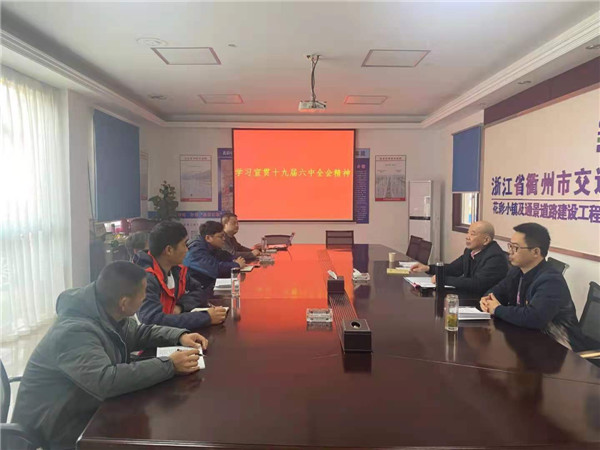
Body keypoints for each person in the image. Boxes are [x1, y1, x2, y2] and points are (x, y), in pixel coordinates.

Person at [11, 261, 208, 450]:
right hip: (54, 431)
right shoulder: (74, 332)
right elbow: (106, 381)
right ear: (124, 302)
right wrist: (169, 365)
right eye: (143, 293)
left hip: (85, 407)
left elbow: (138, 333)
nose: (145, 298)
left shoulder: (107, 309)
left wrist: (179, 336)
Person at [480, 223, 589, 350]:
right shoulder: (516, 271)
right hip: (530, 338)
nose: (510, 251)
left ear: (536, 252)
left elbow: (533, 317)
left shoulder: (551, 280)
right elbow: (498, 290)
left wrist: (497, 309)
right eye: (510, 246)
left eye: (515, 248)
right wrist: (487, 300)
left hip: (560, 346)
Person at [135, 221, 227, 328]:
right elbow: (152, 321)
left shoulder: (176, 269)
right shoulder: (145, 279)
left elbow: (200, 291)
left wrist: (181, 306)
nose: (187, 250)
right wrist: (205, 318)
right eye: (184, 244)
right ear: (169, 250)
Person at [410, 221, 508, 296]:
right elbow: (453, 269)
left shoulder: (495, 257)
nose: (467, 237)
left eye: (472, 234)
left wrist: (442, 279)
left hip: (484, 302)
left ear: (486, 240)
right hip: (471, 296)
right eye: (468, 233)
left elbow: (478, 284)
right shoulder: (470, 251)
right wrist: (428, 268)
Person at [184, 220, 246, 288]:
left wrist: (234, 259)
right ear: (208, 238)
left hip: (207, 285)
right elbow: (215, 269)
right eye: (220, 236)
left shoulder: (211, 246)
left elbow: (223, 255)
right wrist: (236, 265)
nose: (224, 239)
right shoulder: (196, 250)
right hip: (197, 288)